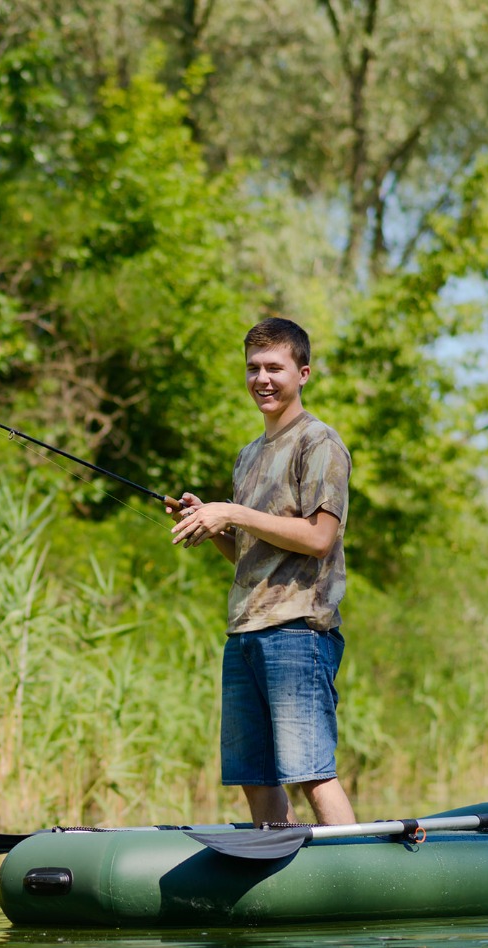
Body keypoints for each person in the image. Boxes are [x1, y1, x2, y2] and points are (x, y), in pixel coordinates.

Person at [166, 318, 355, 826]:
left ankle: (358, 877)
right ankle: (282, 869)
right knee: (254, 774)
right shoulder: (248, 456)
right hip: (245, 631)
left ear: (304, 373)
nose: (262, 379)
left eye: (275, 367)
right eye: (253, 368)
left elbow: (319, 538)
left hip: (299, 632)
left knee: (310, 771)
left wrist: (233, 512)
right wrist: (213, 526)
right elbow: (254, 555)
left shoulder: (320, 443)